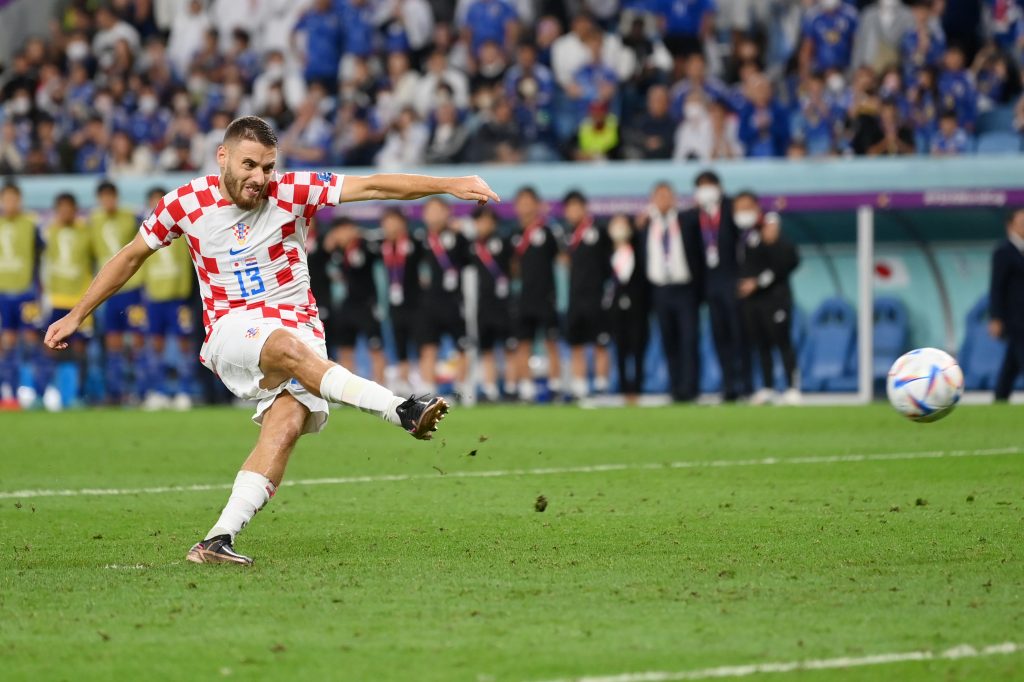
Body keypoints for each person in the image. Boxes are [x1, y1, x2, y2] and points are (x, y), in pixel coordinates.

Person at [44, 116, 499, 566]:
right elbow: (130, 257)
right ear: (222, 156)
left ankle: (217, 540)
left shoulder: (294, 191)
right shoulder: (184, 204)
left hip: (301, 330)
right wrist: (77, 314)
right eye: (248, 166)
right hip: (231, 327)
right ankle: (400, 409)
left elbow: (376, 186)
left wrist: (449, 183)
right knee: (284, 345)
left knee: (282, 431)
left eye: (267, 167)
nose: (259, 178)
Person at [683, 171, 750, 401]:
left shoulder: (732, 209)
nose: (705, 189)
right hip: (711, 285)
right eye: (701, 185)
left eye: (709, 185)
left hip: (732, 280)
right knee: (719, 337)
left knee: (739, 335)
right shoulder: (693, 216)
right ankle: (729, 385)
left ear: (719, 187)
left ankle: (747, 384)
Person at [734, 192, 801, 406]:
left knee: (782, 341)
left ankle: (792, 387)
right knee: (761, 343)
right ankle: (768, 387)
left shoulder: (774, 235)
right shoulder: (745, 236)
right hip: (754, 302)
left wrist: (758, 282)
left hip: (776, 298)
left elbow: (789, 262)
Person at [638, 181, 703, 402]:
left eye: (667, 196)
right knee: (669, 340)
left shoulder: (687, 221)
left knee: (689, 339)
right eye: (659, 196)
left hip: (684, 288)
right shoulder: (646, 226)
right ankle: (676, 389)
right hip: (659, 290)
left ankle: (691, 388)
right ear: (652, 200)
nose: (664, 200)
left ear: (674, 198)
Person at [89, 180, 146, 405]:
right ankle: (116, 393)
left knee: (138, 342)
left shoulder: (131, 218)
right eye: (104, 197)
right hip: (109, 292)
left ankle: (141, 391)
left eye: (111, 196)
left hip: (132, 288)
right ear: (99, 200)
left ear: (116, 197)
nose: (108, 201)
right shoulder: (93, 223)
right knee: (113, 343)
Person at [39, 193, 93, 412]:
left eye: (69, 208)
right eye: (61, 208)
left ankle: (79, 394)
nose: (65, 212)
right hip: (56, 298)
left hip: (81, 300)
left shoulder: (86, 232)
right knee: (51, 346)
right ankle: (51, 391)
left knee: (80, 348)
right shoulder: (48, 232)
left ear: (75, 209)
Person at [140, 203, 197, 411]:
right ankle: (159, 392)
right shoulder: (145, 235)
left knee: (184, 345)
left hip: (178, 298)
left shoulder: (181, 233)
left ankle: (184, 392)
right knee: (155, 345)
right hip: (154, 298)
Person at [320, 218, 387, 386]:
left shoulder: (365, 245)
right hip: (345, 307)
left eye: (343, 230)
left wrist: (362, 236)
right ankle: (346, 390)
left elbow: (380, 248)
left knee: (376, 348)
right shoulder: (336, 252)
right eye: (337, 231)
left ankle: (381, 386)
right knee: (345, 349)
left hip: (367, 306)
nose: (340, 235)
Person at [510, 186, 562, 402]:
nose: (525, 206)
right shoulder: (514, 235)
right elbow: (512, 267)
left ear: (537, 204)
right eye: (521, 202)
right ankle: (526, 389)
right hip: (524, 297)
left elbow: (562, 258)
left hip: (546, 296)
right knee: (523, 343)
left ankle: (555, 386)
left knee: (551, 341)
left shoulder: (549, 232)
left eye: (529, 201)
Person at [417, 197, 471, 397]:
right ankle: (428, 390)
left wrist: (463, 233)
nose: (433, 215)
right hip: (429, 302)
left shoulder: (458, 237)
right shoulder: (421, 240)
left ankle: (462, 389)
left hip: (455, 301)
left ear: (448, 212)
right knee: (428, 346)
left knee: (462, 345)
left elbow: (470, 261)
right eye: (429, 211)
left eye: (437, 210)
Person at [562, 190, 611, 400]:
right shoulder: (567, 236)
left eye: (576, 206)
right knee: (577, 343)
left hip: (596, 296)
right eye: (569, 208)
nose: (572, 211)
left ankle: (601, 385)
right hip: (575, 297)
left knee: (600, 342)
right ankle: (580, 385)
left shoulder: (598, 231)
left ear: (584, 208)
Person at [0, 182, 40, 409]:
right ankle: (10, 393)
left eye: (14, 199)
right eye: (6, 199)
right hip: (2, 294)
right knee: (7, 344)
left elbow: (43, 257)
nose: (11, 204)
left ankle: (35, 394)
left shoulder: (31, 225)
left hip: (26, 294)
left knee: (32, 343)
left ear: (20, 201)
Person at [469, 205, 513, 402]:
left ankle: (512, 387)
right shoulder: (471, 246)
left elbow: (515, 266)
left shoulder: (504, 242)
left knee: (509, 347)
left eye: (487, 220)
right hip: (482, 305)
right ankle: (491, 388)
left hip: (504, 304)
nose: (483, 225)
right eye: (479, 221)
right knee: (486, 349)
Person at [380, 207, 424, 395]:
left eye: (394, 221)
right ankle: (405, 384)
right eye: (387, 222)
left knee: (420, 344)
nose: (390, 226)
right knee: (400, 346)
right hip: (394, 304)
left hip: (416, 304)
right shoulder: (382, 246)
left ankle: (423, 383)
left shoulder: (416, 242)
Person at [607, 214, 649, 402]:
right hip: (616, 307)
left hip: (638, 306)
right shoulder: (606, 251)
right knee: (621, 348)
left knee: (638, 347)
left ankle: (638, 386)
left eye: (623, 225)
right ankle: (623, 388)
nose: (619, 228)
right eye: (616, 224)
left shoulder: (638, 249)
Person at [989, 208, 1024, 402]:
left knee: (1011, 365)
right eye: (1022, 223)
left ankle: (1000, 398)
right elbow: (996, 287)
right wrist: (996, 317)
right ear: (1010, 226)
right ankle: (1000, 397)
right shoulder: (1003, 251)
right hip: (1015, 318)